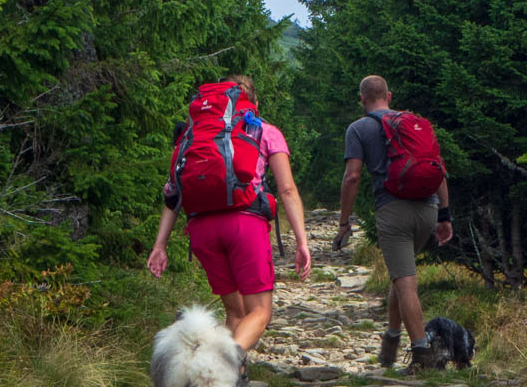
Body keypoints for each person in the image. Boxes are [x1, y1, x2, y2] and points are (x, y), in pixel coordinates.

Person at [145, 75, 312, 364]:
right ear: (254, 102)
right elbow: (286, 189)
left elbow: (173, 195)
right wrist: (302, 241)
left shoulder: (192, 136)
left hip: (201, 229)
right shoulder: (265, 131)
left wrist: (160, 246)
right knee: (259, 312)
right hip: (244, 225)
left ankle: (230, 386)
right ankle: (215, 367)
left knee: (235, 313)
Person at [334, 75, 453, 372]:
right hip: (427, 208)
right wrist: (444, 215)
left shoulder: (359, 128)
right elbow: (438, 168)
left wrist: (344, 221)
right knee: (401, 275)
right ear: (389, 95)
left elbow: (352, 176)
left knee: (406, 282)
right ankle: (391, 340)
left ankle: (421, 353)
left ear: (362, 99)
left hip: (392, 210)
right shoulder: (415, 124)